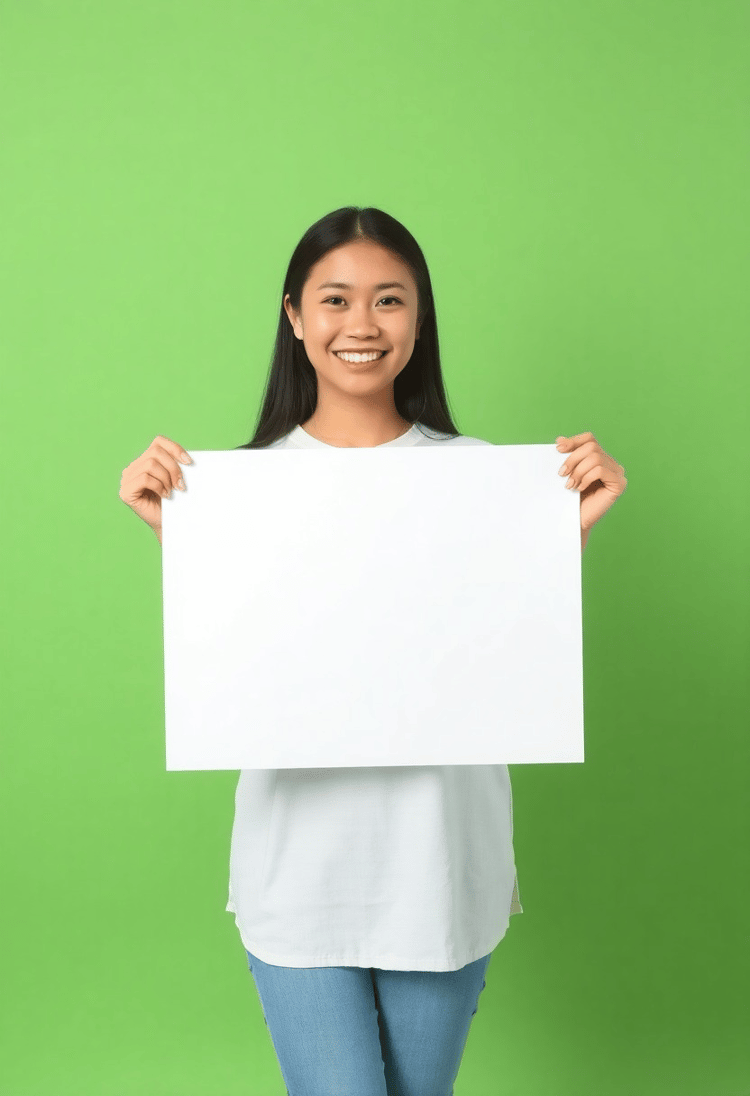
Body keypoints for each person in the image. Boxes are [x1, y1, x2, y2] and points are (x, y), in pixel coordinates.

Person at [118, 206, 627, 1096]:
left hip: (439, 865)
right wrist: (179, 534)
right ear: (294, 317)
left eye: (389, 300)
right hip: (298, 870)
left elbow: (493, 644)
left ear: (420, 317)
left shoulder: (486, 479)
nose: (362, 326)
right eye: (336, 300)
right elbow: (252, 658)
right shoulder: (238, 496)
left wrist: (564, 532)